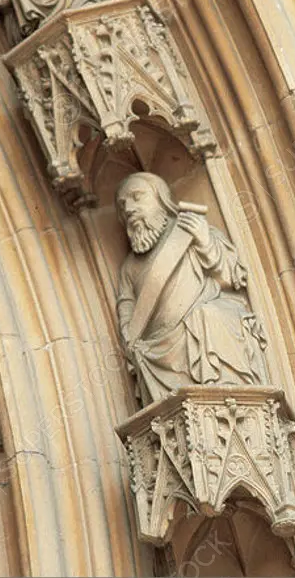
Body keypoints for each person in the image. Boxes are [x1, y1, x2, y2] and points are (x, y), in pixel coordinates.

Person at [115, 173, 268, 406]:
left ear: (161, 199)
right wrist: (128, 335)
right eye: (123, 205)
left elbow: (231, 278)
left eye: (137, 197)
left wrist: (205, 240)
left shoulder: (189, 230)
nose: (129, 209)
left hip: (202, 333)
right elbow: (126, 306)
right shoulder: (129, 267)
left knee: (211, 315)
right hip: (159, 352)